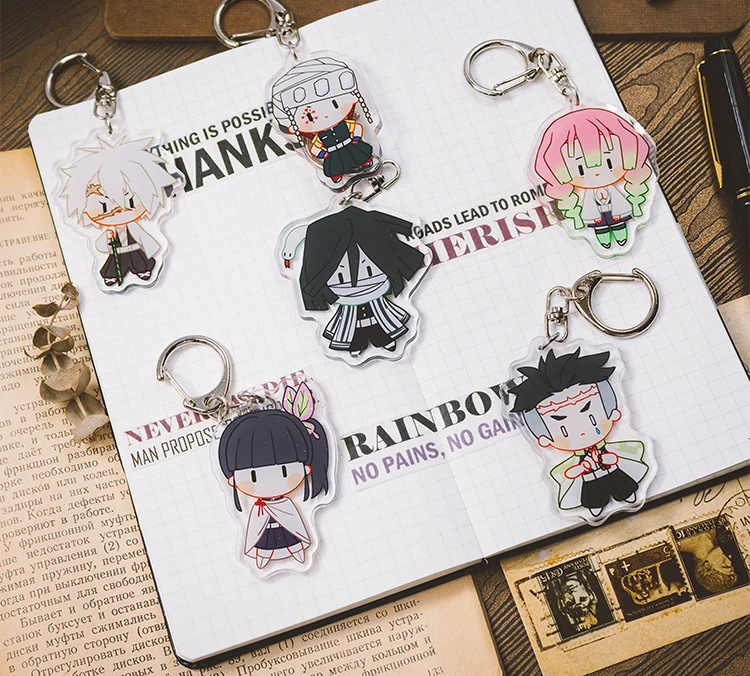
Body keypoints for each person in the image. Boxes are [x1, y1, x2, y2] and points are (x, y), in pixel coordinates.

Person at [509, 348, 649, 518]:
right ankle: (596, 505)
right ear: (544, 439)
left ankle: (626, 494)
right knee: (594, 496)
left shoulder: (611, 442)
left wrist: (607, 459)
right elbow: (570, 473)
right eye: (562, 424)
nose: (581, 431)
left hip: (614, 472)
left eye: (589, 413)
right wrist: (583, 466)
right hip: (589, 480)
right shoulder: (568, 459)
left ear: (612, 412)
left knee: (623, 485)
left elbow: (614, 459)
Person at [217, 384, 331, 570]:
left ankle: (296, 551)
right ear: (232, 480)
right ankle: (264, 556)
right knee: (263, 546)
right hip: (266, 537)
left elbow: (294, 522)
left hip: (288, 535)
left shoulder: (286, 504)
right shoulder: (257, 509)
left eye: (285, 471)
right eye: (253, 476)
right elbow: (255, 529)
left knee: (293, 540)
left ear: (306, 469)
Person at [299, 206, 425, 357]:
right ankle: (356, 344)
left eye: (369, 270)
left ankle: (384, 339)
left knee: (381, 321)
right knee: (351, 326)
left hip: (376, 302)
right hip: (349, 310)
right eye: (340, 276)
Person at [60, 135, 177, 286]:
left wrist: (152, 248)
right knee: (113, 264)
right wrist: (108, 240)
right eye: (104, 206)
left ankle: (142, 269)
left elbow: (144, 237)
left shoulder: (134, 226)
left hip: (135, 251)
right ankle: (112, 275)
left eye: (130, 201)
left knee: (139, 260)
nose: (118, 210)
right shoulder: (110, 230)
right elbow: (100, 245)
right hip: (117, 254)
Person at [533, 108, 652, 250]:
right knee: (600, 227)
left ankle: (621, 235)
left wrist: (626, 208)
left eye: (609, 163)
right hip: (597, 217)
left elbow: (619, 200)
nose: (596, 173)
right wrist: (591, 216)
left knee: (619, 223)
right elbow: (588, 205)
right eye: (580, 170)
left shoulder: (613, 188)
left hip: (616, 213)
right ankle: (604, 240)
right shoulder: (587, 194)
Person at [271, 57, 375, 184]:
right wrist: (323, 154)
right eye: (309, 116)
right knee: (334, 166)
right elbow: (315, 148)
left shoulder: (345, 124)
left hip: (349, 144)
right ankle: (337, 174)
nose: (325, 115)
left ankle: (365, 161)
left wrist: (356, 139)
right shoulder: (319, 136)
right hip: (333, 153)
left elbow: (356, 128)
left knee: (359, 153)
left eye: (335, 104)